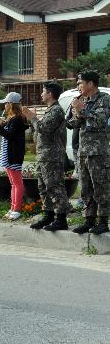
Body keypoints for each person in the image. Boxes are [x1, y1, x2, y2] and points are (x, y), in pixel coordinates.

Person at [66, 70, 110, 235]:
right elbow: (74, 124)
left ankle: (103, 221)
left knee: (101, 187)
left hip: (98, 153)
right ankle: (88, 220)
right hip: (83, 151)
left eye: (80, 83)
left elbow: (99, 121)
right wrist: (74, 111)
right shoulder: (82, 100)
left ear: (91, 84)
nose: (78, 86)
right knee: (86, 188)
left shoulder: (104, 99)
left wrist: (82, 110)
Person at [25, 82, 68, 231]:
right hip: (44, 156)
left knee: (55, 187)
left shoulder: (56, 111)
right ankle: (48, 215)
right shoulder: (50, 110)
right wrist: (34, 119)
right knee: (43, 187)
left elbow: (44, 129)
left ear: (50, 94)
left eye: (43, 92)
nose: (41, 94)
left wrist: (33, 118)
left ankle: (61, 218)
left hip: (52, 156)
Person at [0, 92, 29, 220]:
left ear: (11, 104)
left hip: (14, 155)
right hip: (9, 154)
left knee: (17, 183)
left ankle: (17, 208)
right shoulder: (13, 118)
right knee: (13, 183)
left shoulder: (18, 119)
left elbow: (9, 135)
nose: (5, 106)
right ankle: (13, 207)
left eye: (6, 103)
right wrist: (2, 124)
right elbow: (9, 132)